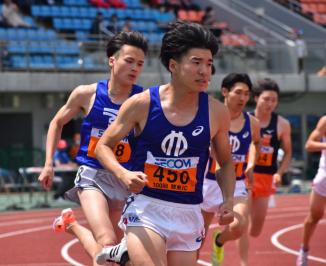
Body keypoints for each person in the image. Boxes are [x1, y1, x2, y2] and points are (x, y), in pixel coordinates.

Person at [95, 21, 236, 266]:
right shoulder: (142, 104)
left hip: (189, 211)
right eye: (196, 63)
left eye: (209, 64)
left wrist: (228, 200)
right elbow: (102, 146)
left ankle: (125, 253)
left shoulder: (217, 112)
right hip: (147, 207)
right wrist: (124, 174)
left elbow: (224, 162)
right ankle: (129, 247)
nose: (205, 71)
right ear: (173, 65)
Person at [38, 30, 148, 265]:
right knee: (107, 242)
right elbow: (57, 122)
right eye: (129, 61)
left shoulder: (143, 100)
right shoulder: (86, 94)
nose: (135, 68)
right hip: (92, 176)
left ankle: (71, 226)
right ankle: (75, 226)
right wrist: (49, 165)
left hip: (124, 180)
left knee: (116, 256)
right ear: (112, 60)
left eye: (140, 64)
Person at [199, 73, 261, 266]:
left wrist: (251, 164)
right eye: (238, 93)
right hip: (206, 182)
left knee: (239, 226)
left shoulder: (253, 123)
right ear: (225, 92)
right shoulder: (209, 115)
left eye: (246, 94)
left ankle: (219, 240)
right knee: (195, 243)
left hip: (236, 183)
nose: (243, 98)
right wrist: (210, 150)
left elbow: (257, 143)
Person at [238, 78, 292, 263]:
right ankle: (243, 262)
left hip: (267, 178)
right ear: (256, 98)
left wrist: (280, 173)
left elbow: (288, 152)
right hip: (245, 177)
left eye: (274, 100)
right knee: (242, 225)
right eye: (266, 99)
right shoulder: (244, 119)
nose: (270, 104)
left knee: (255, 230)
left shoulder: (282, 124)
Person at [297, 115, 326, 266]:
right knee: (314, 217)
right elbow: (309, 144)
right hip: (324, 177)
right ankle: (304, 250)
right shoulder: (325, 120)